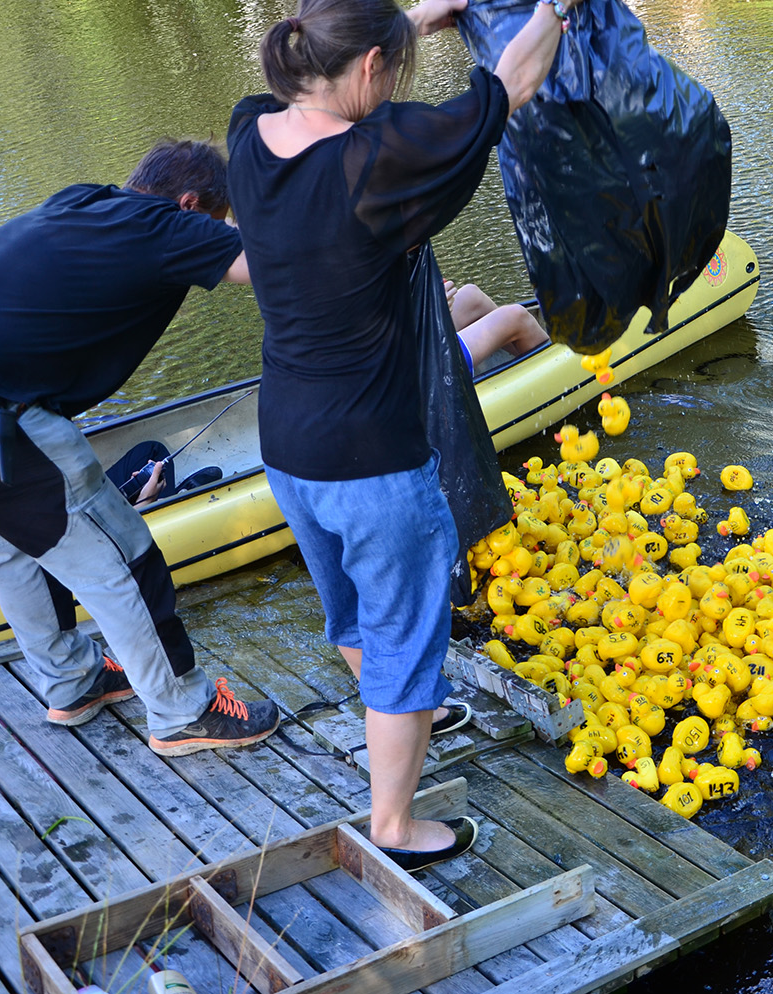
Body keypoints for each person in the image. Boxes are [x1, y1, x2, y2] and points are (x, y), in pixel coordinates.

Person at [228, 0, 578, 870]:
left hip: (288, 449)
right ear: (376, 73)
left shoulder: (248, 137)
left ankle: (397, 716)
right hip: (374, 458)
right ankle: (395, 824)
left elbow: (328, 82)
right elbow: (511, 84)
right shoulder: (375, 166)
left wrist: (412, 21)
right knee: (408, 633)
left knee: (350, 610)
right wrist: (555, 8)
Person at [0, 140, 280, 756]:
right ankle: (183, 710)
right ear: (190, 205)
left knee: (12, 549)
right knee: (122, 555)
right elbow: (272, 259)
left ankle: (73, 680)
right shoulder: (167, 226)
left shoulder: (85, 200)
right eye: (216, 221)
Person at [447, 279, 549, 372]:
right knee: (515, 317)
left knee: (471, 295)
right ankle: (559, 377)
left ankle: (534, 365)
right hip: (435, 362)